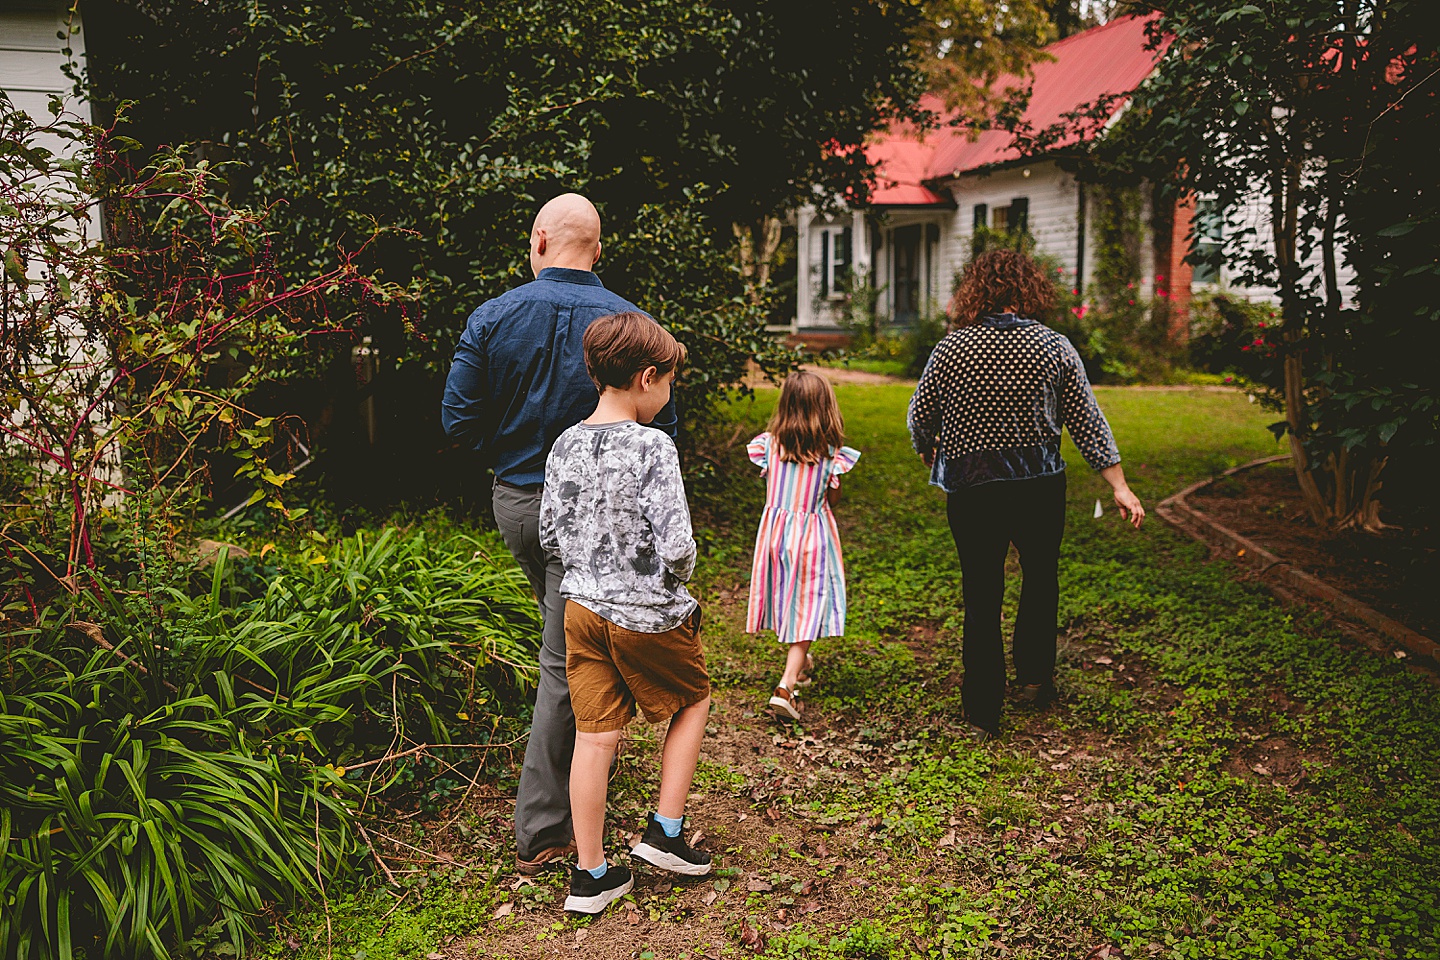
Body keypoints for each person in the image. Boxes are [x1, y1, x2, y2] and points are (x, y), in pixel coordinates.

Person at [441, 194, 677, 876]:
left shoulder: (492, 316)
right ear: (597, 248)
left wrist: (516, 453)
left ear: (540, 240)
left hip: (518, 503)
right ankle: (546, 826)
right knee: (565, 657)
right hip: (604, 517)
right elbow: (661, 427)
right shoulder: (634, 327)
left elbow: (458, 422)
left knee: (566, 639)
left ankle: (579, 776)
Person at [908, 249, 1144, 741]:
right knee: (1040, 580)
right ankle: (1035, 680)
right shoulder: (1055, 347)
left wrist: (928, 449)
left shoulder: (951, 350)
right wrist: (1118, 486)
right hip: (1039, 487)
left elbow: (919, 415)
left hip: (974, 488)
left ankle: (983, 708)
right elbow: (1087, 420)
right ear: (1027, 290)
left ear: (976, 291)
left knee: (981, 592)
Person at [539, 311, 713, 914]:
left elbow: (550, 536)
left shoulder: (565, 442)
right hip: (645, 614)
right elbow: (678, 545)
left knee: (595, 737)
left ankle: (590, 876)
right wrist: (677, 579)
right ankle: (665, 832)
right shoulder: (653, 446)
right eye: (669, 380)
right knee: (693, 702)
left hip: (580, 610)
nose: (668, 392)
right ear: (646, 377)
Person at [744, 371, 861, 721]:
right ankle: (785, 685)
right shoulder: (830, 456)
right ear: (827, 410)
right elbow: (833, 498)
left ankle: (803, 663)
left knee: (788, 595)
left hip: (775, 536)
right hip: (812, 536)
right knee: (809, 606)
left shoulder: (768, 446)